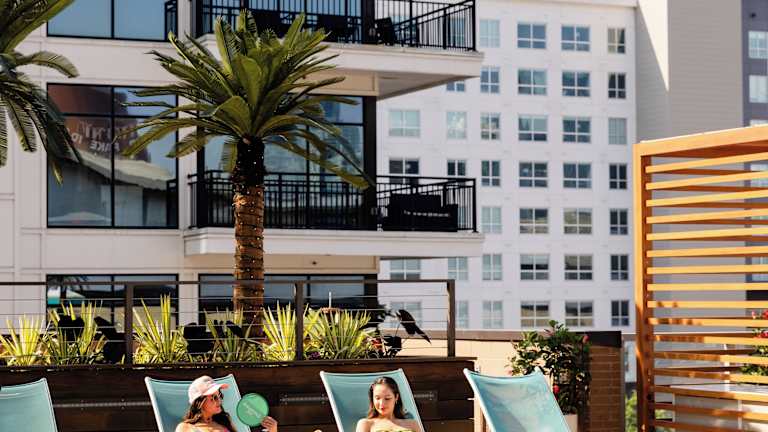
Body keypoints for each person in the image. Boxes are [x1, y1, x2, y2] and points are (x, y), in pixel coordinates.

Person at [176, 375, 278, 432]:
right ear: (200, 403)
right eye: (213, 398)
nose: (219, 401)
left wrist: (272, 430)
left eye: (219, 395)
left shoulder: (224, 422)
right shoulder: (186, 428)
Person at [355, 377, 422, 432]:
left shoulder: (413, 424)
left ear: (396, 397)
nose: (382, 403)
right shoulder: (366, 424)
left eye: (387, 398)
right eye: (377, 398)